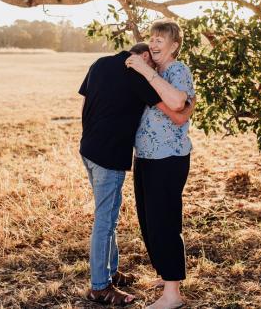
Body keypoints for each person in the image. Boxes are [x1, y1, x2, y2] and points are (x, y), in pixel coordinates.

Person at [79, 43, 191, 306]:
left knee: (109, 214)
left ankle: (110, 271)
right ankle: (99, 287)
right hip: (110, 156)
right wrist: (189, 107)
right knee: (105, 220)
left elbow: (84, 104)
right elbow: (174, 112)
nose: (151, 68)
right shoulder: (135, 74)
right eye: (150, 63)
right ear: (141, 57)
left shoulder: (99, 63)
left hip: (88, 149)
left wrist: (92, 136)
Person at [125, 20, 195, 309]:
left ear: (174, 46)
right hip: (146, 157)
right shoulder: (158, 72)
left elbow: (179, 107)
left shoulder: (177, 70)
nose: (153, 44)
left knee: (164, 222)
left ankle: (172, 295)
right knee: (150, 220)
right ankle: (167, 276)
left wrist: (142, 70)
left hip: (168, 158)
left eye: (160, 40)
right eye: (151, 39)